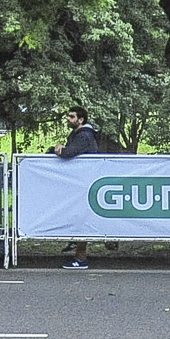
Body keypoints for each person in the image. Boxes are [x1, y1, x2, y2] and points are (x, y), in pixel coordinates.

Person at [50, 106, 99, 269]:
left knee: (81, 220)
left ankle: (81, 257)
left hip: (83, 183)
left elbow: (69, 152)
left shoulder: (84, 135)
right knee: (78, 218)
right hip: (80, 182)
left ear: (81, 119)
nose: (68, 119)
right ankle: (76, 245)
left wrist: (57, 149)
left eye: (71, 116)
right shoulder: (81, 134)